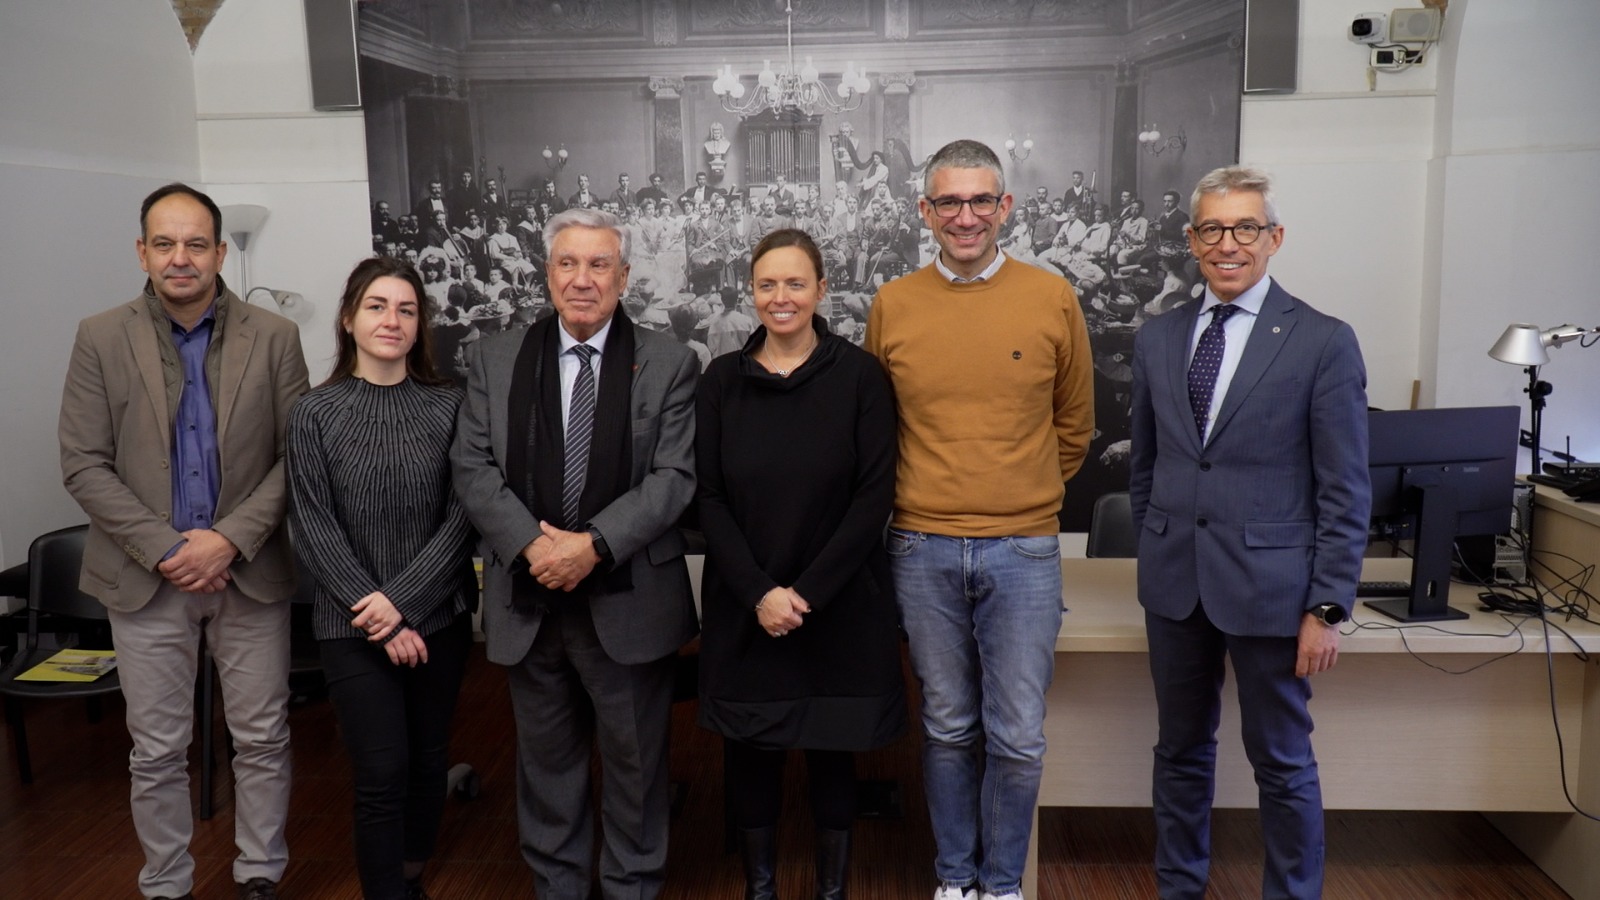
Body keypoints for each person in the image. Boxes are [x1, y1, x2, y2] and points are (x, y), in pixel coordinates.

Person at [58, 183, 310, 900]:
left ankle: (260, 873)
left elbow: (300, 458)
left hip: (249, 573)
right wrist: (170, 549)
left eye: (195, 244)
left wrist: (227, 541)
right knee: (158, 751)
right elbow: (83, 462)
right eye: (164, 244)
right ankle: (166, 883)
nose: (180, 258)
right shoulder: (100, 336)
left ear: (220, 252)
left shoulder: (276, 336)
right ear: (142, 251)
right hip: (146, 579)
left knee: (262, 739)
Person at [1128, 165, 1370, 899]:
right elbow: (1147, 468)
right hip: (1176, 587)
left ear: (1274, 238)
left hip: (1273, 592)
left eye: (1245, 228)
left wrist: (1327, 606)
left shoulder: (1322, 342)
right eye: (1212, 228)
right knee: (1179, 752)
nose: (1227, 244)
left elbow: (1344, 487)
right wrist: (1158, 545)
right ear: (1191, 237)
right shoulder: (1158, 337)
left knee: (1282, 762)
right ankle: (1179, 889)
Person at [864, 140, 1094, 900]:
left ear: (1006, 207)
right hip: (920, 546)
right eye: (949, 203)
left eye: (981, 201)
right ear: (925, 212)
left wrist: (1014, 492)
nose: (966, 217)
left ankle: (1000, 886)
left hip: (1023, 549)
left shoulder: (1052, 295)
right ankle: (953, 880)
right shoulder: (893, 303)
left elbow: (1075, 426)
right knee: (948, 727)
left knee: (1019, 735)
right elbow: (878, 427)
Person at [450, 207, 699, 900]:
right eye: (568, 263)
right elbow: (473, 469)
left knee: (637, 767)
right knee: (546, 768)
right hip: (529, 601)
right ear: (547, 272)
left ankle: (632, 888)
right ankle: (558, 888)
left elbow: (675, 477)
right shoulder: (493, 358)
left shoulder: (671, 361)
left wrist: (592, 547)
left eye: (599, 266)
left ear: (623, 276)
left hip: (628, 602)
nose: (582, 279)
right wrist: (536, 548)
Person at [696, 229, 905, 900]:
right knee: (752, 751)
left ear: (821, 289)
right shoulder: (722, 380)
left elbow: (875, 496)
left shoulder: (861, 376)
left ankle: (832, 892)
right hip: (746, 602)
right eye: (766, 284)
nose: (780, 297)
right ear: (749, 291)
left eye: (794, 283)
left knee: (830, 748)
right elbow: (709, 497)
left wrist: (805, 594)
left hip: (837, 602)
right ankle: (761, 891)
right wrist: (761, 593)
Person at [286, 256, 476, 900]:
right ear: (348, 318)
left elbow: (462, 519)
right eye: (376, 306)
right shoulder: (313, 413)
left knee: (427, 760)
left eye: (406, 309)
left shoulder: (451, 406)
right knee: (381, 770)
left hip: (438, 619)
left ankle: (412, 871)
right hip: (350, 625)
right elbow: (312, 524)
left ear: (420, 325)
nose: (391, 320)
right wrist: (378, 611)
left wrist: (403, 606)